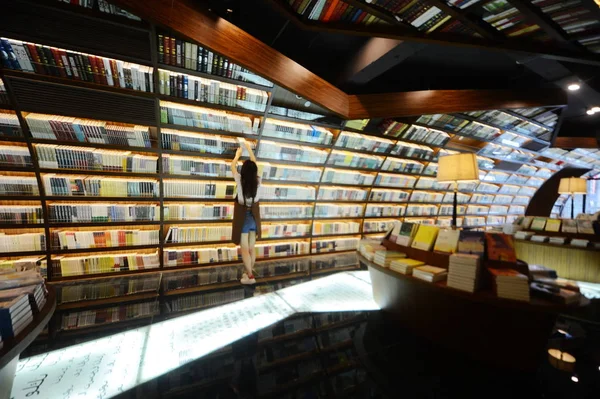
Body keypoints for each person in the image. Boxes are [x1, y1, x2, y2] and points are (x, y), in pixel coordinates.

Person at [231, 139, 262, 285]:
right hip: (254, 218)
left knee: (244, 249)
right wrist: (249, 150)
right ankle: (249, 272)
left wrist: (237, 155)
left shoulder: (239, 180)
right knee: (251, 248)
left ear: (243, 172)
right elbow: (254, 163)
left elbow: (232, 167)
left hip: (244, 217)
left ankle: (250, 276)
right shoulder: (258, 180)